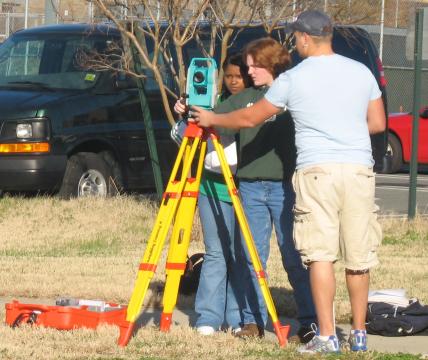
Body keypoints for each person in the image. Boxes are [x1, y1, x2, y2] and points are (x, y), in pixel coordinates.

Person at [189, 10, 386, 354]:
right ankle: (358, 333)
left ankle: (326, 335)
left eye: (295, 38)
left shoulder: (294, 78)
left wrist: (211, 117)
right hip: (358, 170)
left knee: (319, 255)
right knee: (358, 256)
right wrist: (344, 131)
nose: (294, 44)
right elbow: (378, 123)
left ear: (306, 38)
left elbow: (251, 116)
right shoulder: (361, 71)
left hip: (317, 171)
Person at [211, 38, 316, 342]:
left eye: (255, 65)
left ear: (272, 64)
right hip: (251, 188)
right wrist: (190, 108)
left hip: (285, 187)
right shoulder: (246, 97)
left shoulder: (292, 94)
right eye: (248, 65)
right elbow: (218, 116)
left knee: (293, 256)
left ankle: (309, 322)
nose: (249, 71)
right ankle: (252, 321)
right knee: (252, 257)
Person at [173, 53, 251, 336]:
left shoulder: (255, 106)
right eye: (228, 76)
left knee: (239, 254)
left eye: (238, 76)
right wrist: (185, 115)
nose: (232, 81)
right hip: (212, 187)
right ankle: (208, 316)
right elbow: (180, 136)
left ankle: (237, 316)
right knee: (217, 253)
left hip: (243, 186)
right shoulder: (210, 104)